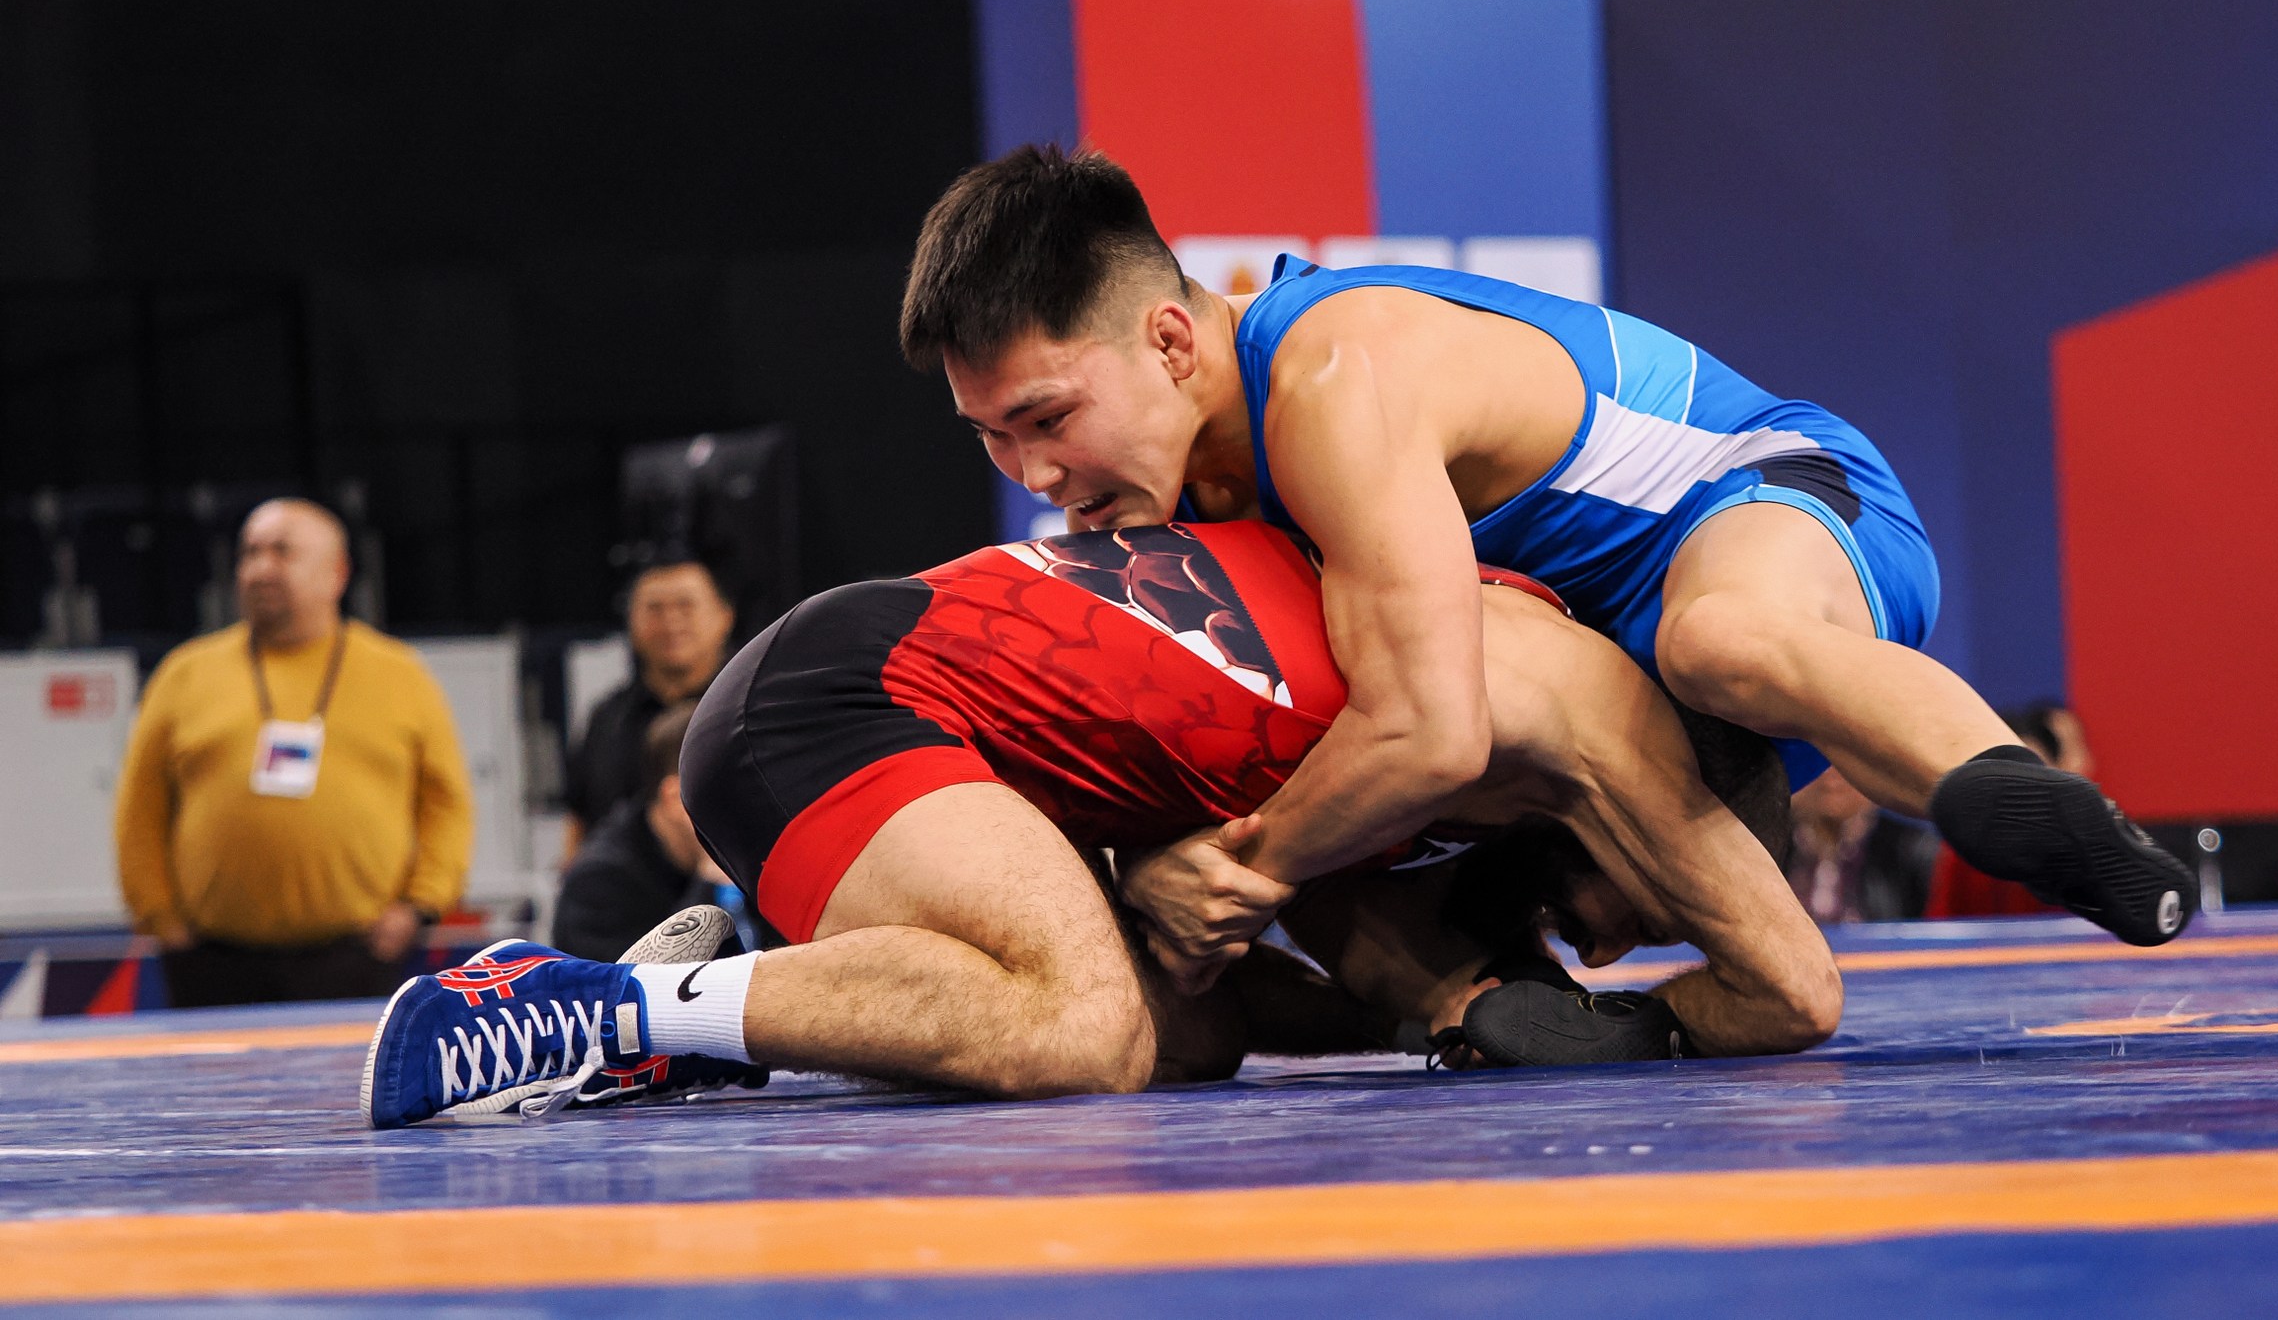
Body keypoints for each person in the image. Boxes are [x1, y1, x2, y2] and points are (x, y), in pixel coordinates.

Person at [894, 145, 2196, 974]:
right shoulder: (1153, 489)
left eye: (1048, 419)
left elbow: (1429, 730)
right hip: (1618, 671)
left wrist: (1236, 873)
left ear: (1172, 343)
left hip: (1777, 502)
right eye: (992, 436)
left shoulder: (1333, 378)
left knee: (1719, 638)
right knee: (1512, 854)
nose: (1033, 476)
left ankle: (2028, 804)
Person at [363, 521, 1839, 1126]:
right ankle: (574, 1004)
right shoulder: (1515, 695)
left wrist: (1476, 1010)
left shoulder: (1426, 783)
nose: (1602, 950)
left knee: (1182, 1032)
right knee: (1086, 1022)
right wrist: (1620, 1019)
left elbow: (1366, 986)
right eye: (1638, 914)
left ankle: (706, 1010)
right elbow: (1790, 993)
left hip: (951, 750)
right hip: (845, 691)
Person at [114, 498, 473, 1007]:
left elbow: (446, 804)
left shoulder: (400, 675)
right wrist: (160, 917)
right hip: (210, 961)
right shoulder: (185, 674)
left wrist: (419, 907)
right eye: (250, 552)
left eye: (282, 552)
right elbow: (140, 808)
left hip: (357, 956)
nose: (261, 569)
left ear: (337, 573)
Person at [563, 559, 734, 850]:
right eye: (655, 609)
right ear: (631, 621)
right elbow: (578, 820)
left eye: (686, 606)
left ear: (724, 616)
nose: (671, 622)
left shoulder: (751, 709)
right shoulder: (607, 719)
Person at [551, 703, 729, 961]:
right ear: (676, 799)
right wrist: (707, 887)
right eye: (731, 793)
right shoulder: (598, 885)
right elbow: (634, 981)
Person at [1922, 701, 2090, 919]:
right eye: (2009, 779)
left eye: (2032, 776)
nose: (2021, 791)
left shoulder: (2079, 850)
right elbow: (1942, 923)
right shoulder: (1963, 849)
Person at [1784, 769, 1935, 924]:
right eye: (1821, 762)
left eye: (1842, 764)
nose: (1831, 775)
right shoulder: (1775, 842)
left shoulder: (1909, 847)